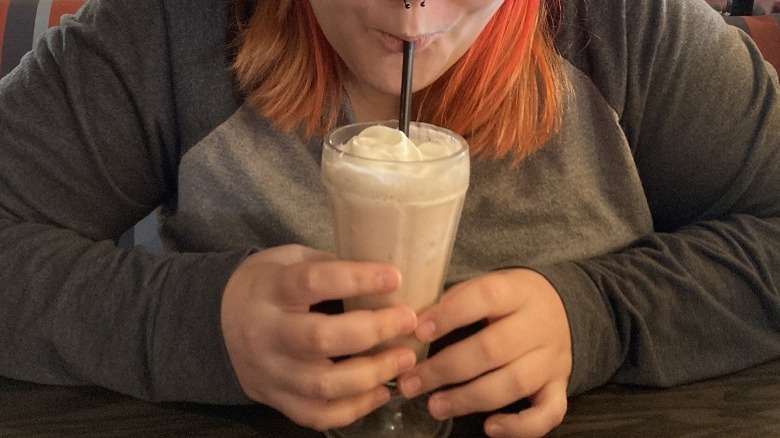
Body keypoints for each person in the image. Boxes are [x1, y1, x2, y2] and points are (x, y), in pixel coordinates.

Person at [1, 0, 778, 436]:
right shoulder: (167, 31)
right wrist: (199, 327)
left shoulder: (634, 29)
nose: (414, 21)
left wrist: (600, 316)